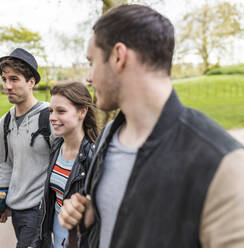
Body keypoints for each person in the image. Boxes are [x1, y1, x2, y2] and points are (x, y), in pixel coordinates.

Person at [58, 4, 244, 248]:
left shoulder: (223, 161)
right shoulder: (107, 137)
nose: (89, 77)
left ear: (118, 56)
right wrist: (91, 218)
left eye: (91, 62)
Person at [0, 48, 55, 248]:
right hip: (16, 208)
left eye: (14, 79)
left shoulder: (50, 116)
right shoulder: (4, 122)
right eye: (5, 79)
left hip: (40, 208)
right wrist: (2, 202)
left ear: (31, 82)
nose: (8, 86)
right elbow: (5, 165)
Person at [40, 82, 97, 247]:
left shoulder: (93, 155)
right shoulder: (57, 145)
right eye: (51, 111)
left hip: (78, 238)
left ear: (82, 112)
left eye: (61, 111)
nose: (52, 117)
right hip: (56, 231)